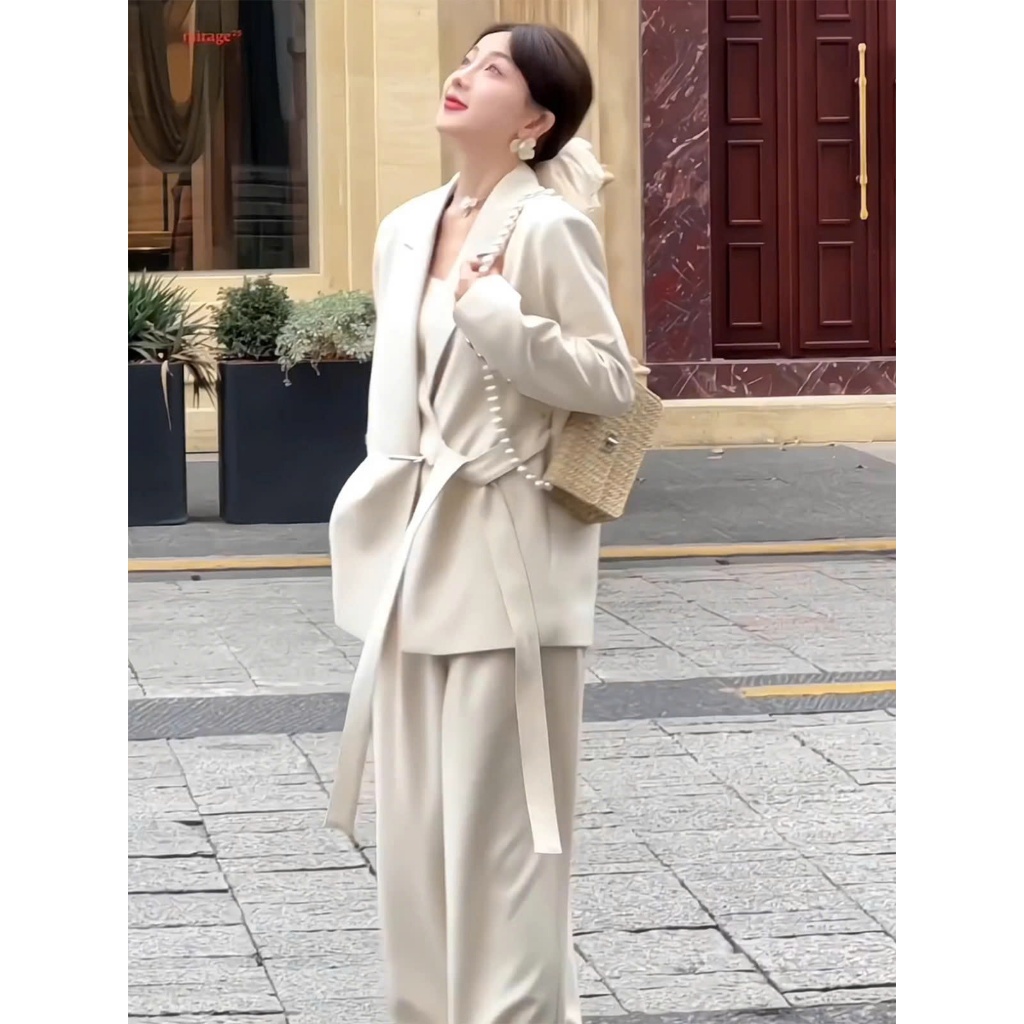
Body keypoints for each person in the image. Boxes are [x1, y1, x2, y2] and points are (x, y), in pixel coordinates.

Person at [324, 21, 636, 1024]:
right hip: (412, 559)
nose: (464, 74)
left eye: (493, 68)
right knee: (416, 838)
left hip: (510, 563)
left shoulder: (546, 227)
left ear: (535, 120)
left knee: (504, 848)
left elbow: (610, 381)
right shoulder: (407, 226)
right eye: (467, 59)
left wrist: (500, 320)